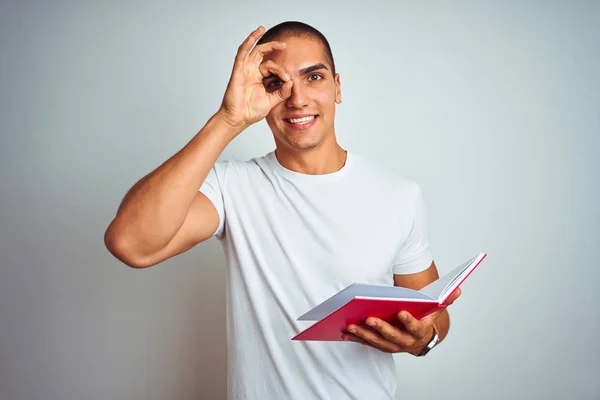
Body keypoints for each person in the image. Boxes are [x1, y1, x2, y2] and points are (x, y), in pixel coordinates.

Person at [104, 21, 461, 400]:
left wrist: (425, 338)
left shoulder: (399, 195)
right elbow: (131, 243)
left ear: (337, 87)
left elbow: (432, 313)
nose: (297, 98)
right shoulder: (231, 187)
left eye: (314, 77)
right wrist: (228, 120)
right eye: (276, 83)